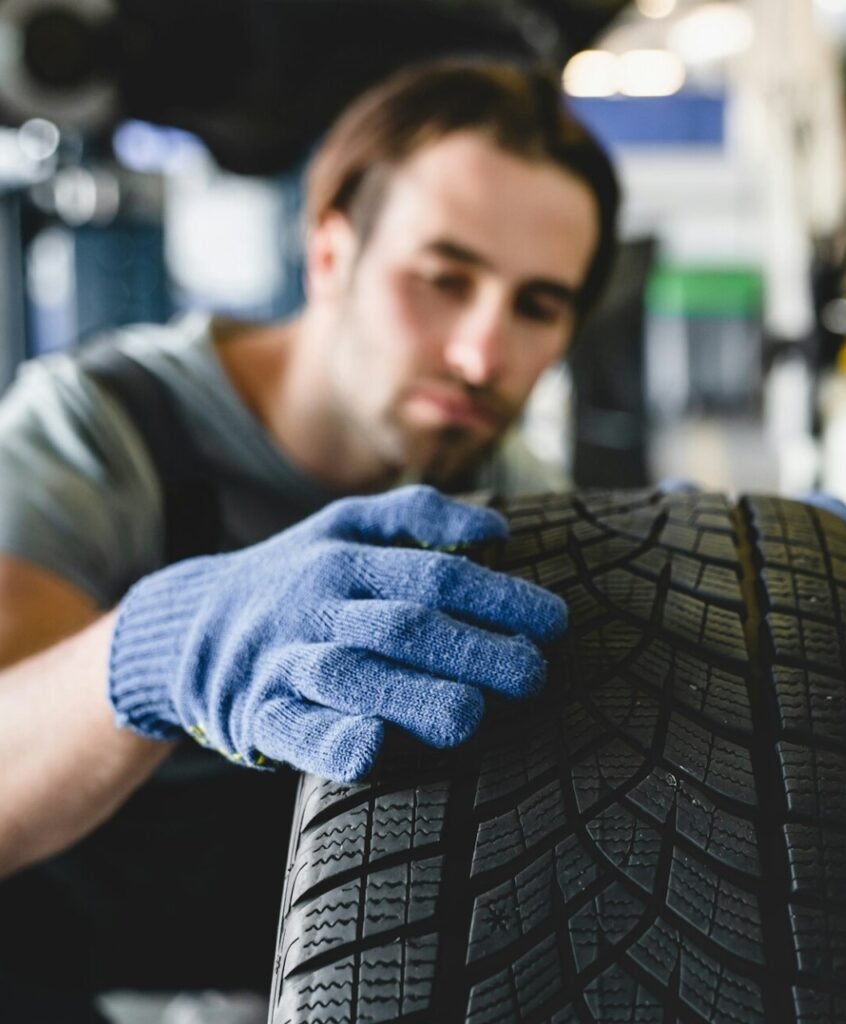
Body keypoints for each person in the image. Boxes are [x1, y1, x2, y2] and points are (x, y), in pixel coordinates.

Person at [0, 58, 619, 1019]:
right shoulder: (100, 430)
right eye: (444, 277)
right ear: (331, 252)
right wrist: (161, 649)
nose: (481, 355)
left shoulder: (512, 498)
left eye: (537, 305)